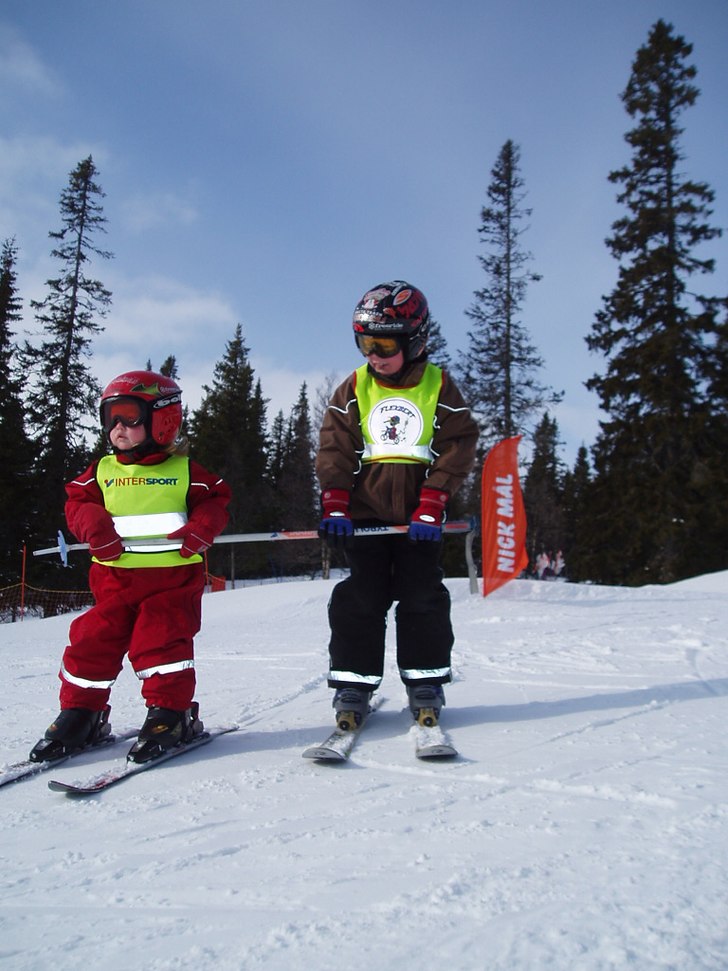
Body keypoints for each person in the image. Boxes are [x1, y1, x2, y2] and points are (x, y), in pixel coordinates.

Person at [29, 371, 231, 765]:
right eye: (111, 418)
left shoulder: (186, 470)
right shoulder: (102, 471)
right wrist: (94, 526)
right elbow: (77, 503)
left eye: (129, 416)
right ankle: (81, 712)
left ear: (163, 420)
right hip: (114, 582)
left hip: (171, 582)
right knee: (91, 641)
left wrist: (202, 528)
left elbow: (215, 501)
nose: (118, 428)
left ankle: (170, 714)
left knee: (161, 643)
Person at [316, 280, 479, 731]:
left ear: (415, 339)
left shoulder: (438, 385)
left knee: (422, 597)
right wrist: (334, 501)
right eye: (365, 342)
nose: (374, 354)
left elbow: (458, 443)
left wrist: (433, 501)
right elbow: (335, 446)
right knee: (359, 599)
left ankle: (425, 681)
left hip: (419, 520)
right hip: (365, 517)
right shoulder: (354, 387)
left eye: (384, 343)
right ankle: (354, 683)